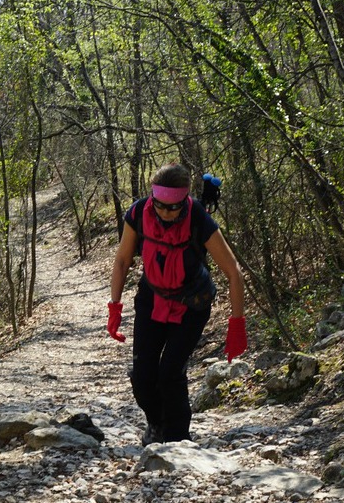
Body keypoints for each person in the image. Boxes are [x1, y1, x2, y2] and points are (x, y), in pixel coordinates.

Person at [106, 163, 247, 444]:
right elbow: (122, 261)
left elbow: (233, 272)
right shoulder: (138, 213)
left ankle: (179, 438)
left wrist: (237, 324)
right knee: (143, 375)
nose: (166, 212)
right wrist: (115, 306)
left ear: (185, 200)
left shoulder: (198, 218)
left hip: (192, 304)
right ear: (152, 197)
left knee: (170, 373)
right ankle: (157, 424)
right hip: (152, 299)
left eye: (174, 207)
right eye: (160, 205)